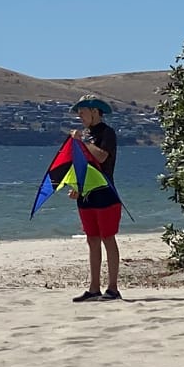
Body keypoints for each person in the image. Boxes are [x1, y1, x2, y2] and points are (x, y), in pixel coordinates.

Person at [67, 98, 123, 303]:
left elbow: (100, 157)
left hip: (106, 194)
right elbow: (80, 166)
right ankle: (94, 288)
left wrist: (81, 143)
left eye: (82, 112)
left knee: (108, 238)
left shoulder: (106, 133)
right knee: (92, 240)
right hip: (86, 195)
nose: (79, 117)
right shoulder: (86, 135)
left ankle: (113, 288)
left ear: (94, 112)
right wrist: (75, 187)